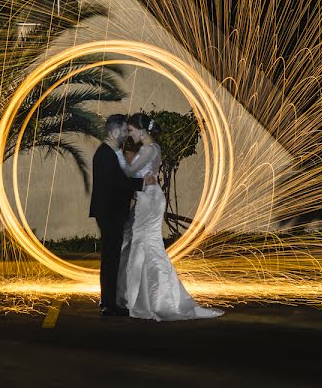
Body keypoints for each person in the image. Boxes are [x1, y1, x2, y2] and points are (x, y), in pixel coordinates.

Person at [116, 113, 223, 321]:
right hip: (148, 199)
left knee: (146, 245)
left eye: (131, 130)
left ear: (141, 130)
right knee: (147, 246)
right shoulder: (149, 149)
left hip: (149, 200)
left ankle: (151, 300)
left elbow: (131, 172)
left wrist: (119, 157)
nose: (129, 134)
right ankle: (149, 298)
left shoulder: (149, 149)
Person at [89, 114, 152, 316]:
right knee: (111, 258)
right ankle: (108, 303)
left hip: (110, 212)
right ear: (114, 131)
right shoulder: (105, 154)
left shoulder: (109, 152)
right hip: (109, 213)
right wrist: (142, 184)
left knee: (112, 257)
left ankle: (109, 301)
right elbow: (117, 183)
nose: (126, 134)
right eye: (124, 130)